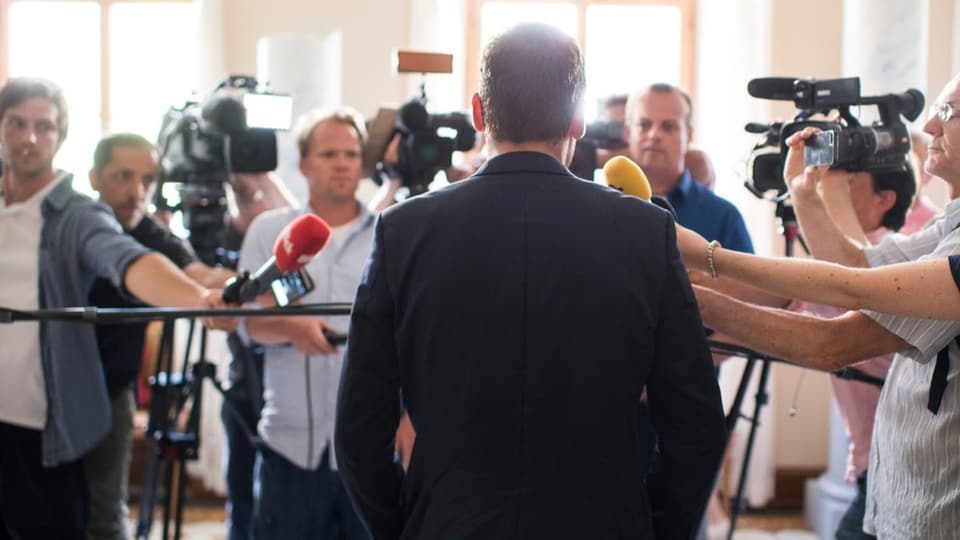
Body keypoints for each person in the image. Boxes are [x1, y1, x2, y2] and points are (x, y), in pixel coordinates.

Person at [335, 23, 726, 540]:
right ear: (578, 121)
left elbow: (359, 431)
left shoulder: (403, 231)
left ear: (478, 113)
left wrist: (403, 525)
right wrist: (652, 526)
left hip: (449, 522)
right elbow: (695, 427)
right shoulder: (646, 232)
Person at [683, 75, 960, 539]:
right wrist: (805, 192)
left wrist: (702, 267)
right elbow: (857, 262)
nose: (930, 124)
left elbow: (837, 329)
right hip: (902, 490)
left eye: (949, 113)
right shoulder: (950, 225)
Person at [0, 78, 226, 539]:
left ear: (60, 137)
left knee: (90, 518)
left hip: (55, 415)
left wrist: (201, 299)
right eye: (16, 124)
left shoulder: (79, 216)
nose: (29, 138)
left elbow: (132, 262)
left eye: (43, 127)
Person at [82, 132, 236, 540]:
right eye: (123, 176)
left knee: (104, 510)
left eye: (148, 179)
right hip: (47, 385)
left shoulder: (151, 232)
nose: (138, 191)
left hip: (113, 390)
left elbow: (198, 275)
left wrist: (248, 285)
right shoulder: (74, 222)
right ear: (94, 176)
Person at [240, 107, 378, 539]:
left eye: (351, 154)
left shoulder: (393, 230)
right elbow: (246, 322)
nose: (342, 163)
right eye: (329, 153)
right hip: (289, 446)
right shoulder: (270, 232)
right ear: (302, 165)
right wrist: (291, 328)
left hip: (371, 446)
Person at [626, 83, 753, 253]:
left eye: (668, 126)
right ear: (628, 133)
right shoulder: (603, 207)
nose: (654, 134)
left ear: (690, 135)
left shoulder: (723, 216)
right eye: (644, 124)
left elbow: (748, 279)